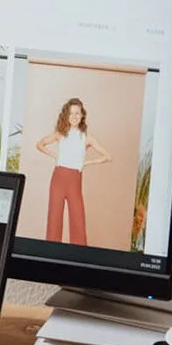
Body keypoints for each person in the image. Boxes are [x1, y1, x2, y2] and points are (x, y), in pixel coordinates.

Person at [36, 96, 110, 245]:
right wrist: (55, 155)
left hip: (75, 179)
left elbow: (107, 156)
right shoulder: (61, 134)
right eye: (71, 113)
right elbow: (40, 144)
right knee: (54, 218)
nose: (74, 116)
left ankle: (79, 254)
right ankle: (51, 252)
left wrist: (86, 163)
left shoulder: (87, 137)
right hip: (58, 178)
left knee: (78, 219)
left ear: (82, 115)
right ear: (66, 115)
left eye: (77, 113)